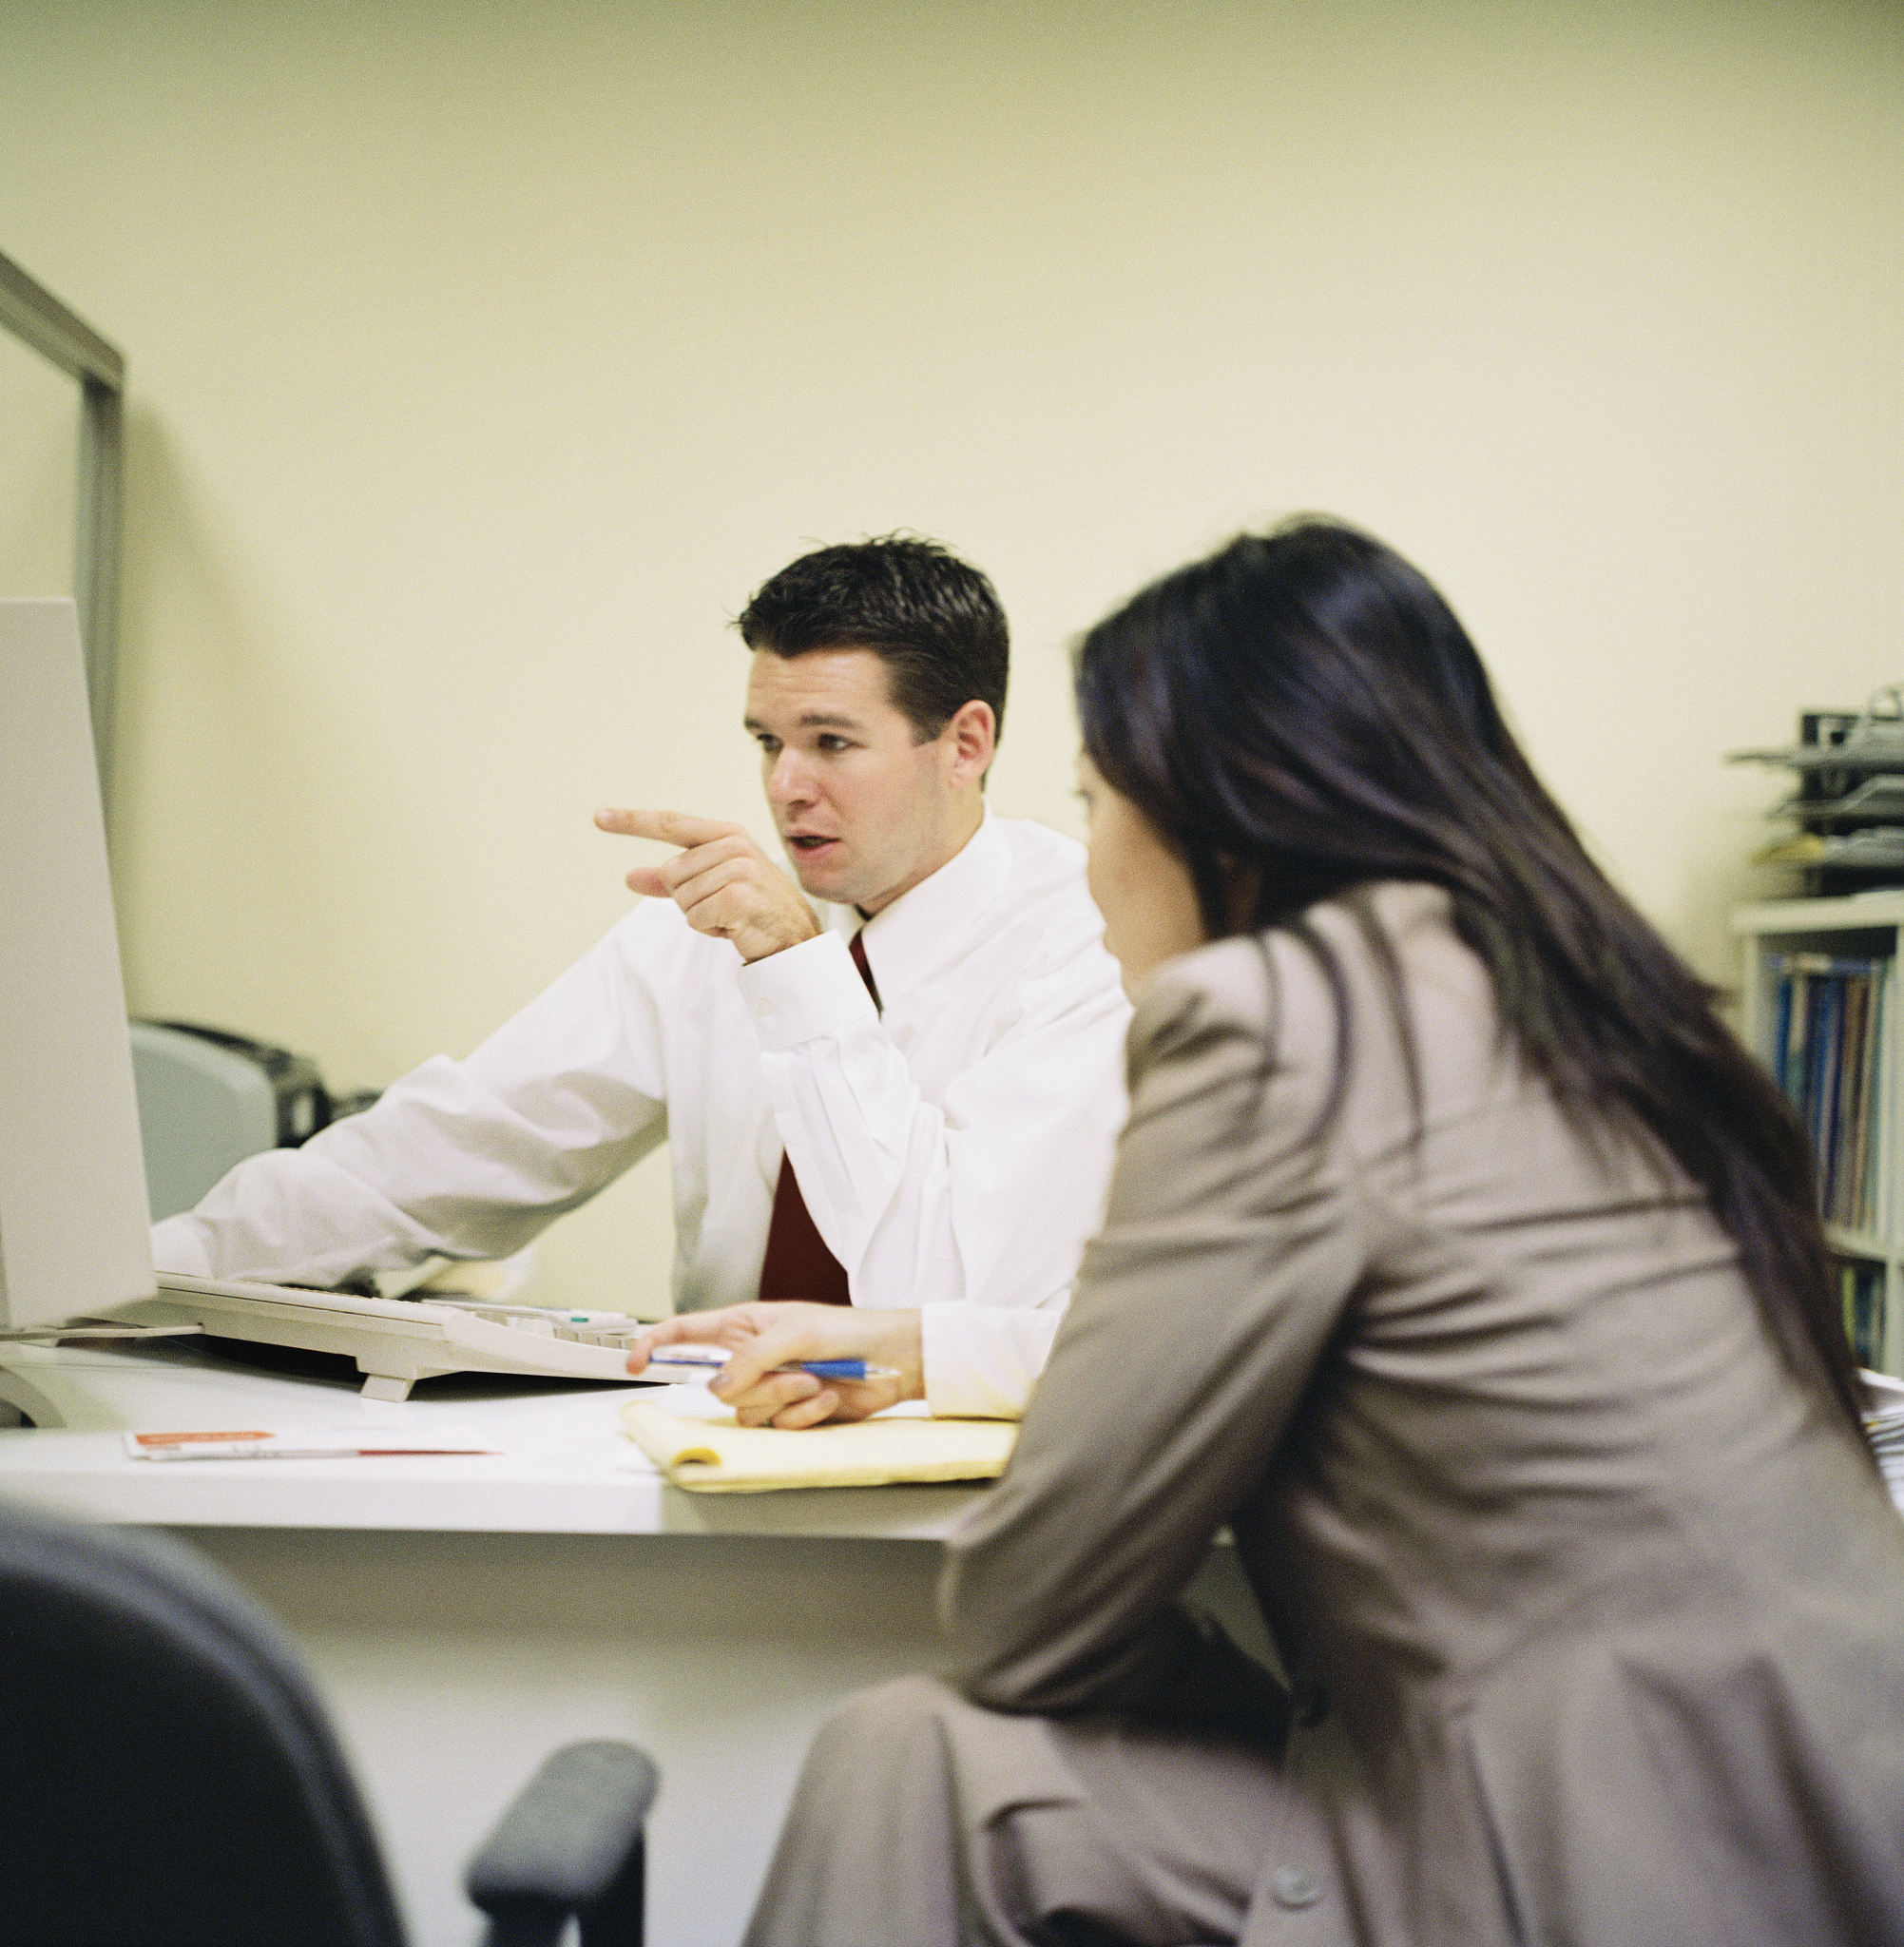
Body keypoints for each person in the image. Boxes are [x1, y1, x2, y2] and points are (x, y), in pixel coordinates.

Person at [663, 518, 1904, 1945]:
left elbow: (1032, 1612)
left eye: (1092, 800)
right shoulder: (1601, 1002)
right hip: (1810, 1816)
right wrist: (941, 1348)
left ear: (1218, 819)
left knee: (915, 1753)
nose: (1084, 867)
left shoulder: (1268, 1023)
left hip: (1589, 1861)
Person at [151, 538, 1132, 1356]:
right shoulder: (706, 927)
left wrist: (798, 975)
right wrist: (154, 1266)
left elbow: (936, 1287)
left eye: (830, 742)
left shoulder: (1089, 945)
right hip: (720, 1444)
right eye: (765, 740)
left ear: (964, 744)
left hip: (951, 1490)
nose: (786, 785)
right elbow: (458, 1146)